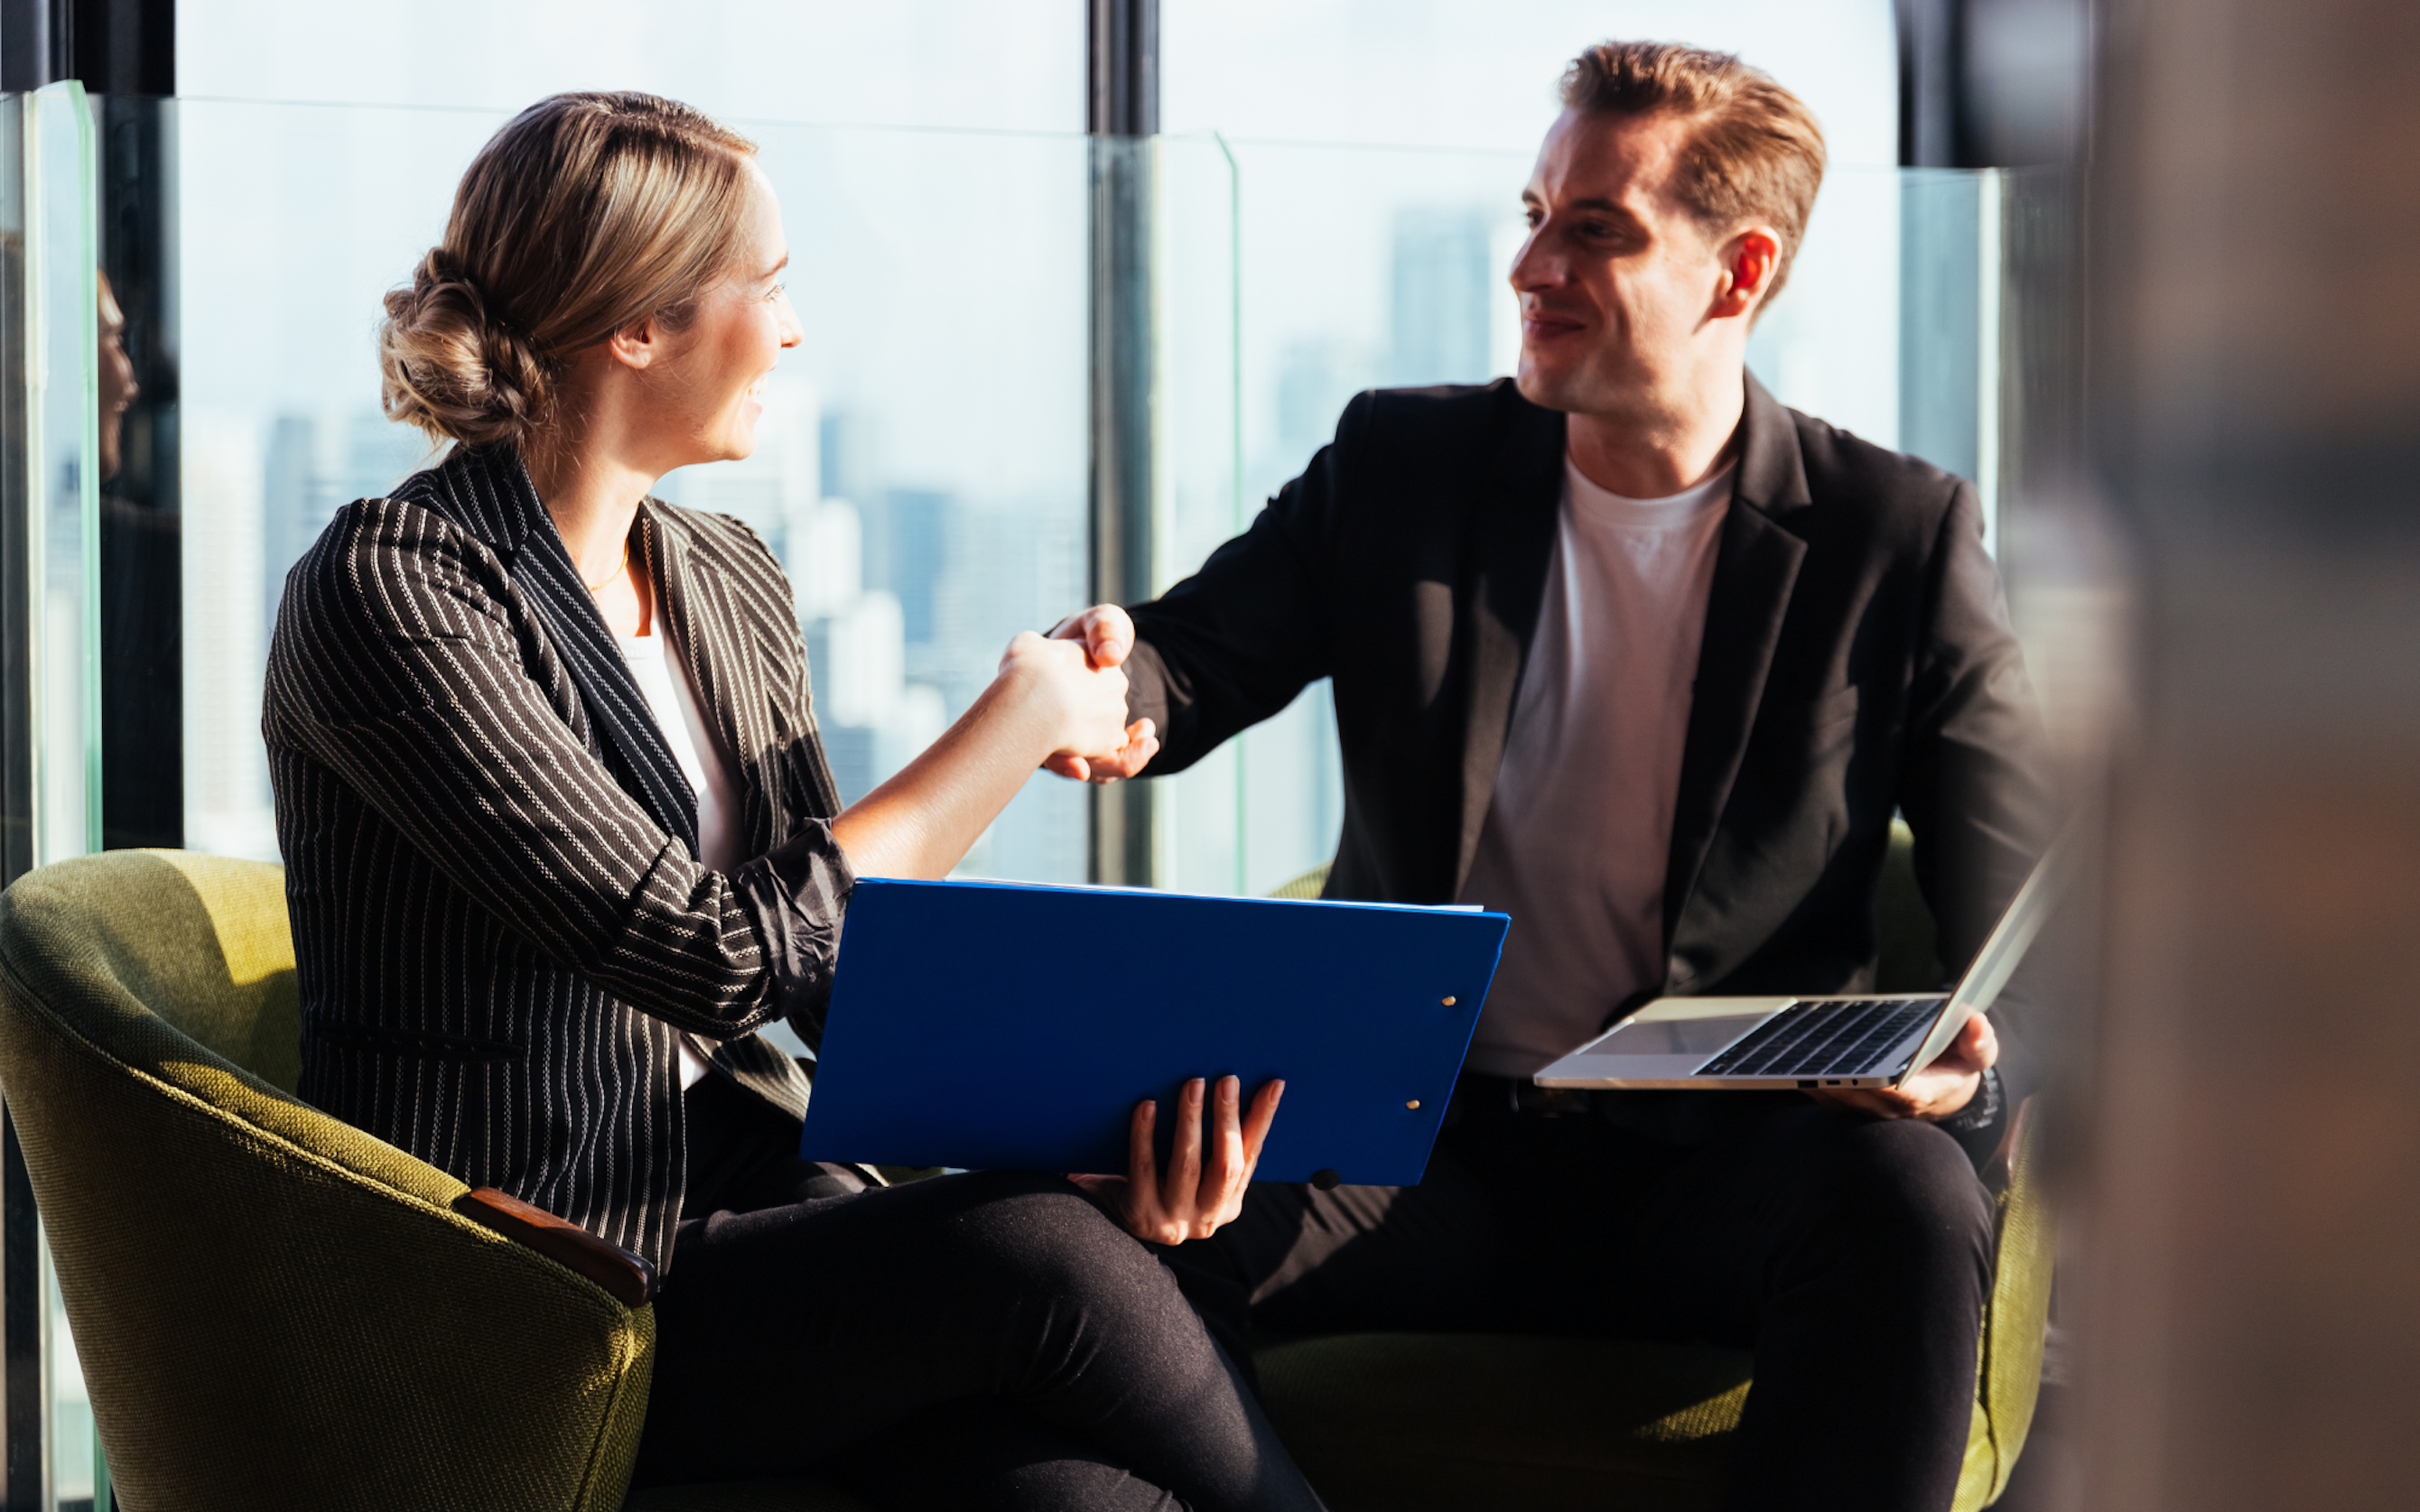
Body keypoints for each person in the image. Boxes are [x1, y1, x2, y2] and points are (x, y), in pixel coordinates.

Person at [263, 92, 1322, 1512]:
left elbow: (838, 975)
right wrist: (1004, 732)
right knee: (1032, 1253)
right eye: (766, 287)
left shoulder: (726, 576)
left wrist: (1086, 1129)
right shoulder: (395, 584)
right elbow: (707, 947)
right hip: (535, 1277)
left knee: (1076, 1463)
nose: (796, 329)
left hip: (751, 1218)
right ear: (638, 325)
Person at [1048, 42, 2058, 1512]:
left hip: (1729, 1161)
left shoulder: (1892, 536)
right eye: (1533, 211)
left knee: (1906, 1202)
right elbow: (1188, 661)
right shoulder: (1403, 462)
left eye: (1596, 226)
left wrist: (1975, 1056)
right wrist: (1106, 688)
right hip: (1418, 1144)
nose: (1531, 262)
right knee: (1105, 1230)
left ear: (1739, 269)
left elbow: (2025, 915)